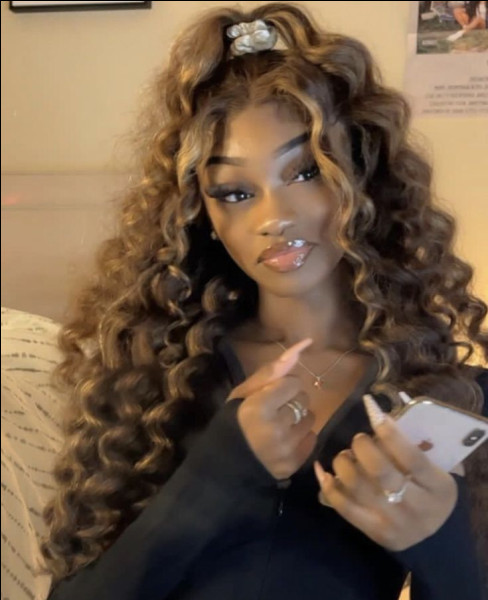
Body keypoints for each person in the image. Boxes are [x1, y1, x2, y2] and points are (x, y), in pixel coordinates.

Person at [39, 3, 488, 599]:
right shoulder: (152, 379)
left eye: (306, 172)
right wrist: (216, 473)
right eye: (234, 191)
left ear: (363, 177)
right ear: (200, 214)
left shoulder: (451, 397)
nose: (274, 217)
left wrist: (440, 542)